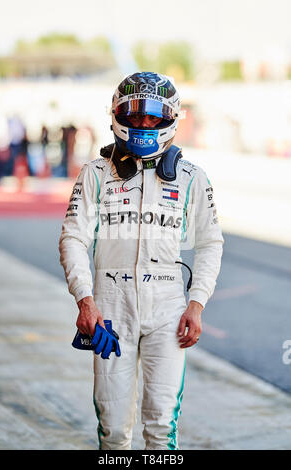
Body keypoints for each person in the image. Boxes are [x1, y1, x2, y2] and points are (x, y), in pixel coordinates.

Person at [59, 72, 224, 450]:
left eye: (153, 116)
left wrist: (196, 304)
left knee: (162, 427)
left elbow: (211, 243)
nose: (143, 124)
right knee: (114, 431)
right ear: (118, 116)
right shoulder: (95, 174)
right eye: (134, 116)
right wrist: (85, 300)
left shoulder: (192, 178)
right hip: (109, 310)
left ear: (170, 119)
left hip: (168, 310)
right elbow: (72, 237)